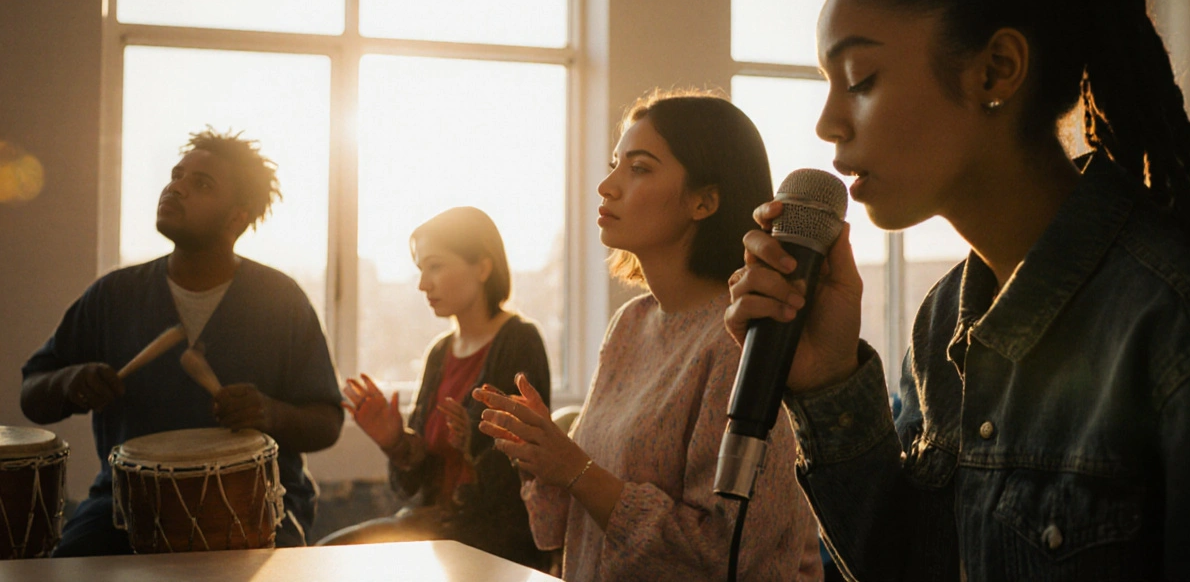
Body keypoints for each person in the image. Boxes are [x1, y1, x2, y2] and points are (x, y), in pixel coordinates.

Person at [725, 0, 1190, 581]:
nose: (828, 123)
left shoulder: (1186, 325)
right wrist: (829, 383)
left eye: (860, 79)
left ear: (996, 71)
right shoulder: (940, 324)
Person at [475, 92, 823, 580]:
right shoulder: (631, 324)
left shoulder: (743, 337)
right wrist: (540, 454)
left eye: (638, 168)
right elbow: (557, 532)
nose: (606, 185)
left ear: (704, 200)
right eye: (615, 164)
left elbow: (731, 555)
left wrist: (574, 466)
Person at [20, 129, 344, 555]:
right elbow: (33, 395)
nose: (176, 187)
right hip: (124, 506)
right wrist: (69, 384)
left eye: (201, 184)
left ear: (236, 219)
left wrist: (271, 412)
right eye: (177, 175)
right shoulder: (112, 295)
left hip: (259, 506)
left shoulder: (281, 300)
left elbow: (327, 421)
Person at [318, 206, 551, 569]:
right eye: (421, 270)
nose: (424, 284)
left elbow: (525, 475)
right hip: (433, 531)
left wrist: (471, 440)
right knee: (322, 559)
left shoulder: (519, 340)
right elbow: (411, 487)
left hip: (494, 544)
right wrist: (395, 441)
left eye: (435, 266)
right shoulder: (440, 353)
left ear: (483, 267)